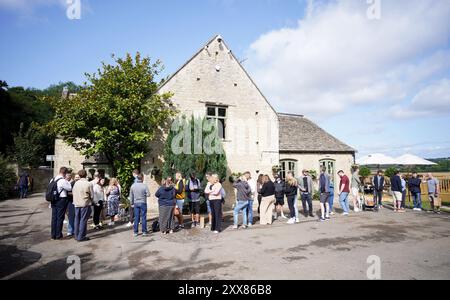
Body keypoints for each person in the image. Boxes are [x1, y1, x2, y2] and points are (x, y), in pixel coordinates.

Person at [50, 167, 72, 240]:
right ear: (65, 173)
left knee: (54, 217)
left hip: (53, 199)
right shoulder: (62, 180)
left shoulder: (52, 179)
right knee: (60, 217)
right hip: (61, 200)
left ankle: (53, 235)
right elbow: (69, 188)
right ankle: (58, 235)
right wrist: (67, 181)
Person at [72, 169, 93, 242]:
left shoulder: (76, 183)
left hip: (76, 203)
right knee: (83, 220)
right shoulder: (88, 183)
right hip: (85, 203)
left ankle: (76, 235)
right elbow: (92, 195)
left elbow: (73, 192)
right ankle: (81, 236)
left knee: (77, 219)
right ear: (86, 174)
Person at [66, 173, 77, 237]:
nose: (77, 178)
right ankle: (70, 231)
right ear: (74, 178)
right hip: (71, 202)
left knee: (76, 217)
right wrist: (75, 194)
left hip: (77, 202)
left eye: (78, 177)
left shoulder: (79, 184)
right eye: (76, 177)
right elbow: (68, 192)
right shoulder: (72, 184)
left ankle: (75, 230)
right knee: (71, 217)